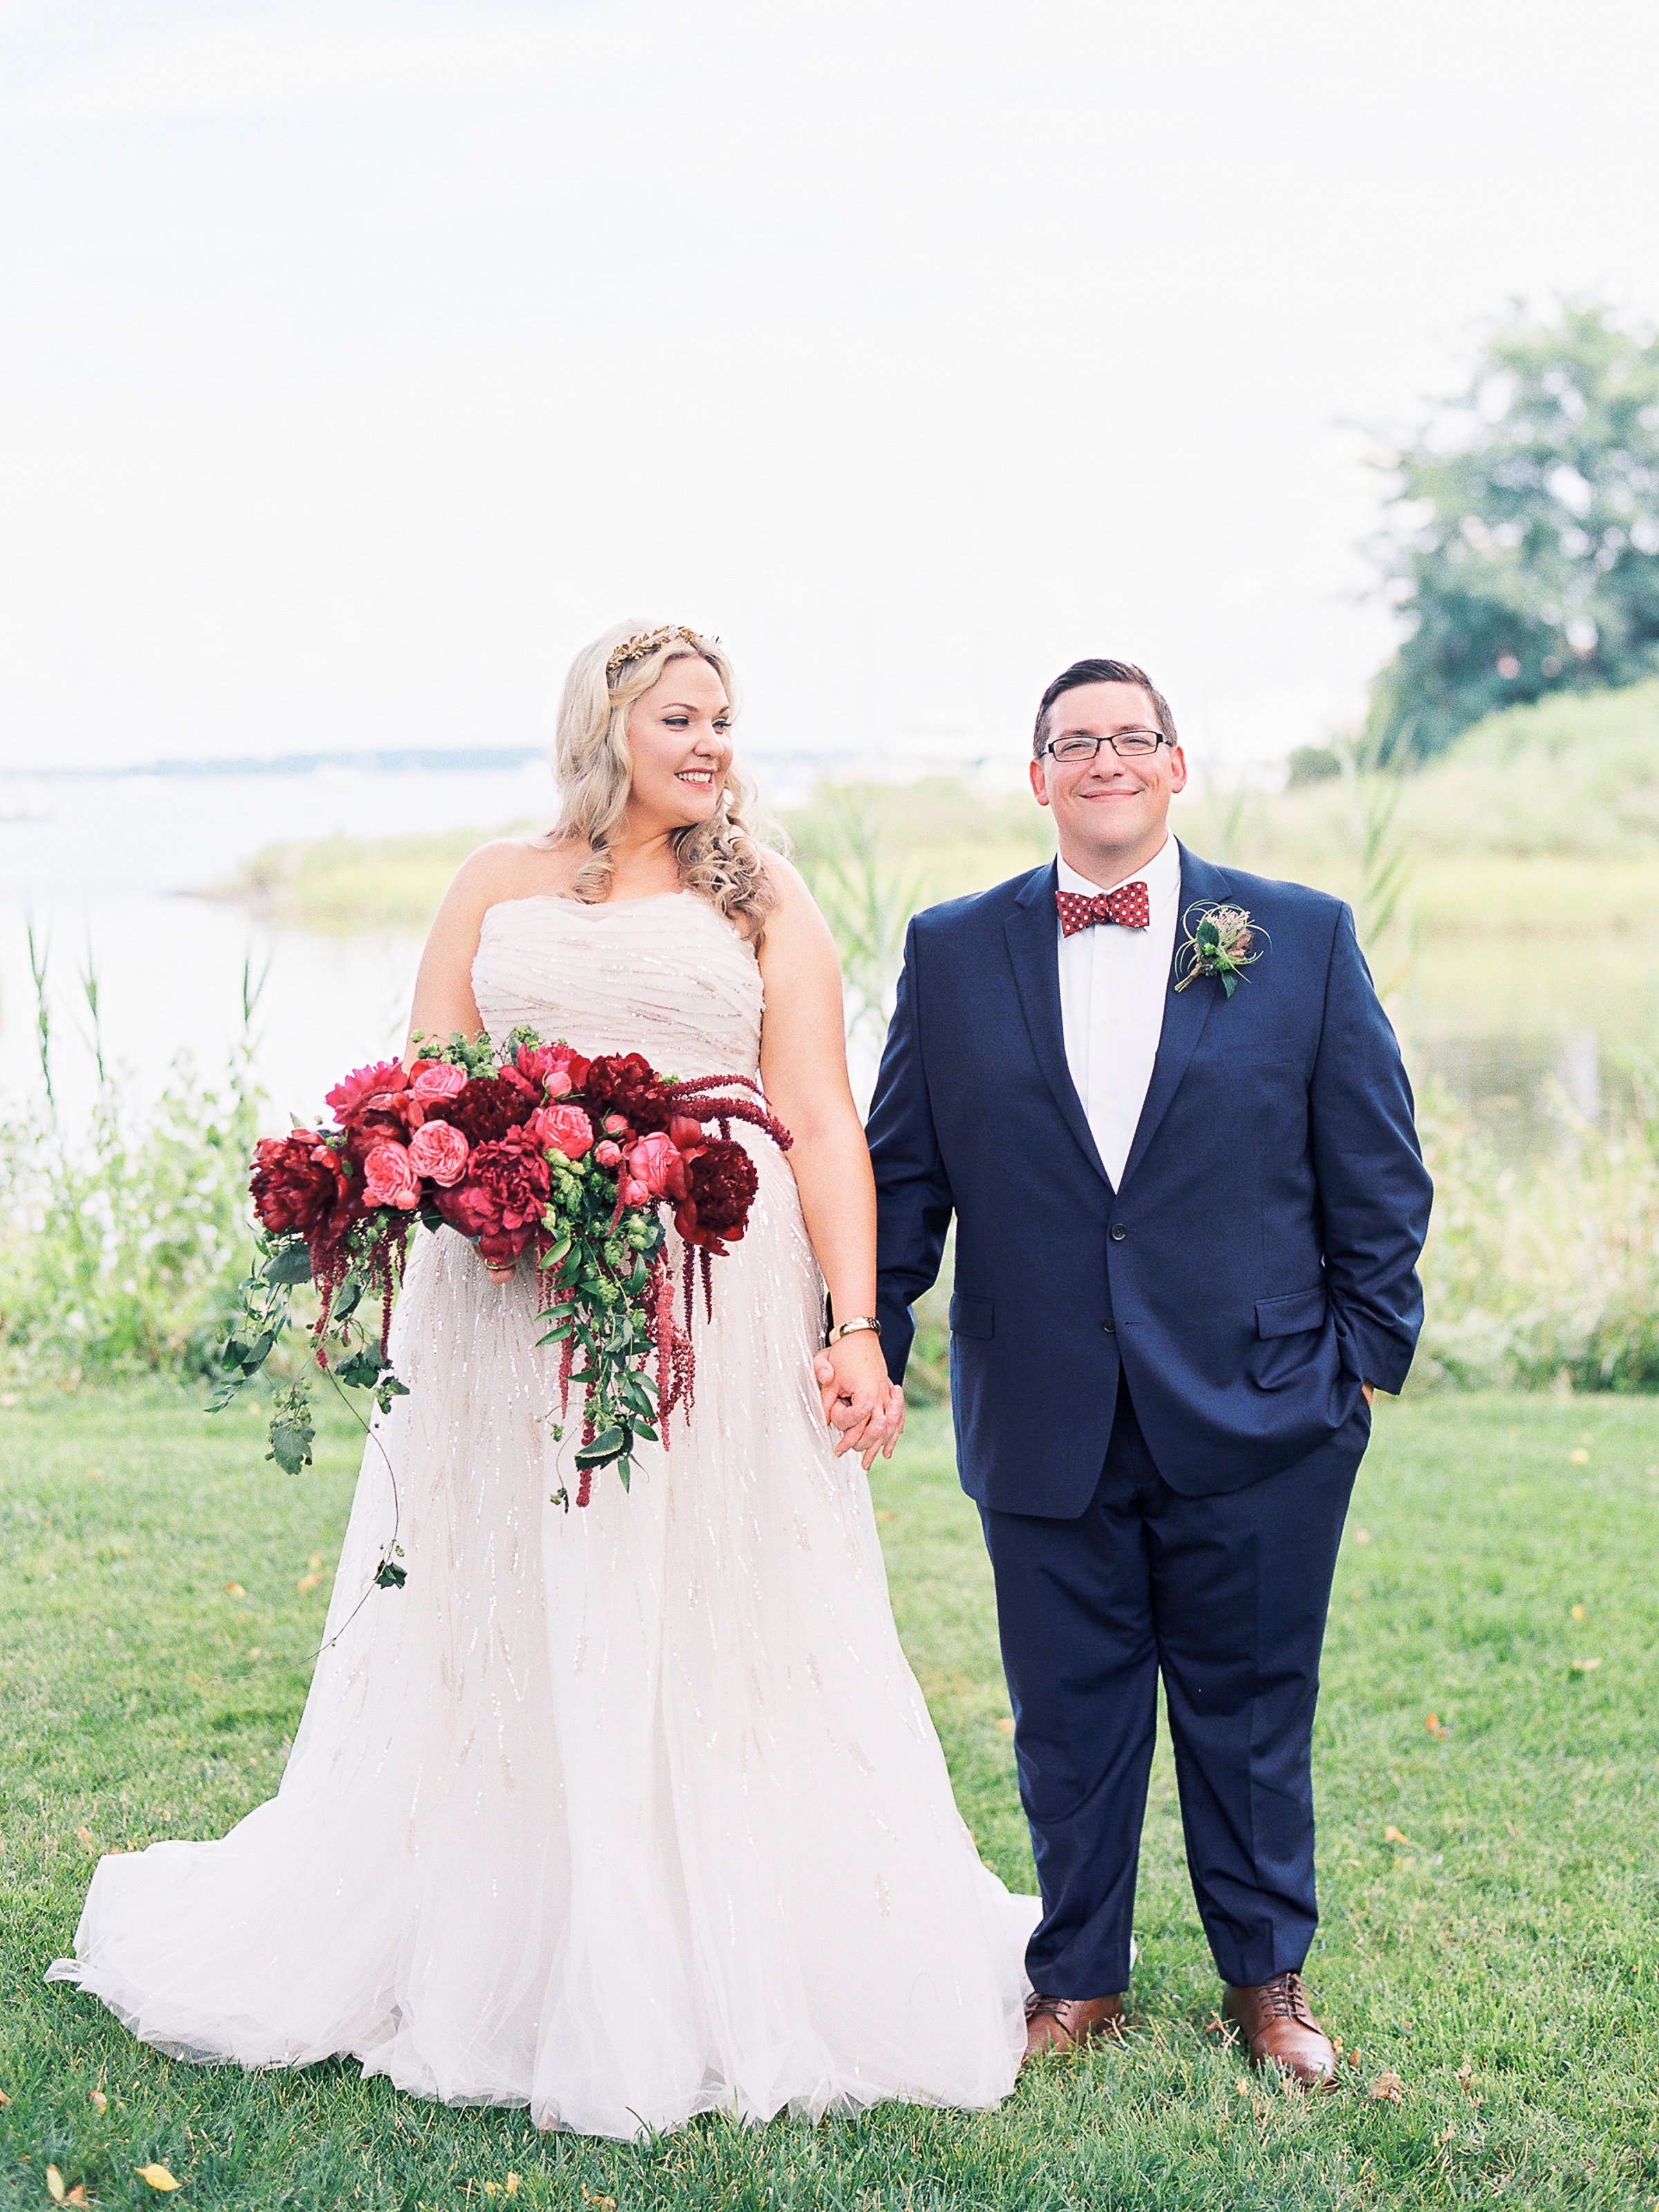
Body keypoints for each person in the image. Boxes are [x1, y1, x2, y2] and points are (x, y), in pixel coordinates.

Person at [49, 623, 1036, 2139]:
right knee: (502, 1584)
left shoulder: (764, 895)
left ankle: (715, 1927)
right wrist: (448, 1169)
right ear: (607, 722)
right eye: (682, 717)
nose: (713, 744)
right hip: (502, 1288)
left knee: (713, 1593)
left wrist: (854, 1325)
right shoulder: (494, 879)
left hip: (713, 1265)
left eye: (725, 719)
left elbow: (826, 1122)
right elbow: (426, 1074)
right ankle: (498, 1909)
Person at [862, 657, 1432, 2084]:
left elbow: (1376, 1169)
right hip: (1041, 1403)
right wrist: (862, 1335)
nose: (1103, 758)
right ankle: (1079, 1979)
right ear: (1036, 775)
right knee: (1069, 1713)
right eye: (1074, 741)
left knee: (1252, 1707)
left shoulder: (1295, 935)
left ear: (1177, 766)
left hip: (1265, 1407)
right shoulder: (949, 950)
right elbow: (901, 1178)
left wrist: (1360, 1369)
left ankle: (1269, 1983)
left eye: (1131, 737)